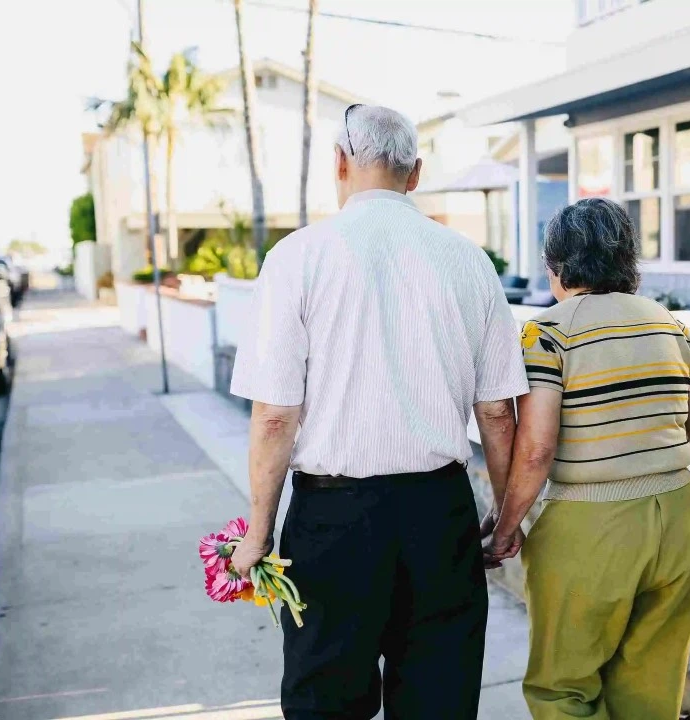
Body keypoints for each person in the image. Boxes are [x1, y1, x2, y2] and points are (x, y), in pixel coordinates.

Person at [229, 104, 529, 720]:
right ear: (415, 174)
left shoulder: (297, 257)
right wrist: (505, 518)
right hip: (439, 517)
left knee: (326, 703)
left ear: (340, 163)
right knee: (438, 701)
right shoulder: (468, 260)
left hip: (332, 521)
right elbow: (498, 413)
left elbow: (275, 416)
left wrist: (258, 531)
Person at [486, 198, 690, 719]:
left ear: (557, 267)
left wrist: (506, 526)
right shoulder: (672, 326)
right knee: (651, 689)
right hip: (681, 514)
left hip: (592, 524)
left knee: (562, 691)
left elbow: (536, 449)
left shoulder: (547, 332)